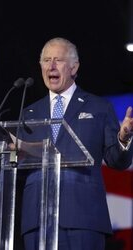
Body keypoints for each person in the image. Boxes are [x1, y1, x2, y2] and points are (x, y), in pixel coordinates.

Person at [20, 37, 133, 250]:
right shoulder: (29, 114)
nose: (51, 66)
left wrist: (124, 138)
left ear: (74, 67)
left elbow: (117, 160)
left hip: (83, 219)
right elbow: (19, 164)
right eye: (46, 60)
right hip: (37, 219)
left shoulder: (99, 107)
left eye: (58, 60)